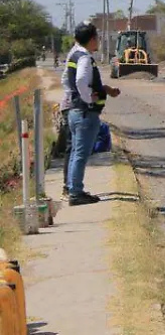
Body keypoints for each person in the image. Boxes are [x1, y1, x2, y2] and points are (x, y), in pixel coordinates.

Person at [61, 22, 119, 205]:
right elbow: (80, 80)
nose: (98, 41)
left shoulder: (74, 54)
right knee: (81, 154)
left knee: (75, 152)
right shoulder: (84, 58)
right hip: (85, 113)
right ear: (92, 39)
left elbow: (67, 80)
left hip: (76, 111)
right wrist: (88, 99)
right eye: (97, 38)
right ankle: (76, 193)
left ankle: (73, 188)